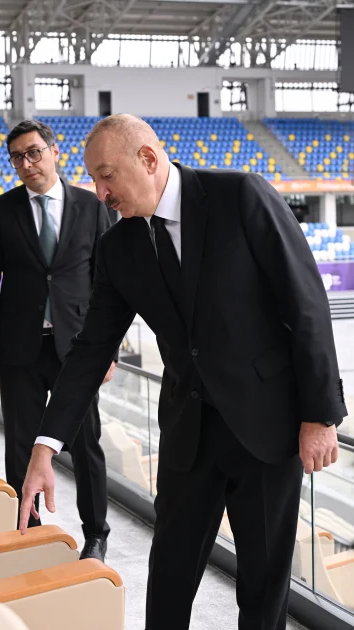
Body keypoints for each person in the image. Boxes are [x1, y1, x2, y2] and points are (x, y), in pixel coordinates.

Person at [19, 114, 347, 629]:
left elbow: (306, 304)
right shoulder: (117, 247)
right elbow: (90, 351)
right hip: (188, 435)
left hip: (267, 427)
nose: (101, 193)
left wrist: (321, 415)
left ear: (148, 159)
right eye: (95, 180)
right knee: (169, 578)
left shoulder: (241, 196)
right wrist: (46, 446)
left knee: (263, 588)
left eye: (107, 176)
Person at [0, 119, 115, 562]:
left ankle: (96, 535)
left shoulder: (91, 206)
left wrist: (108, 350)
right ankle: (29, 535)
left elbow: (109, 284)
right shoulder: (1, 210)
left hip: (78, 350)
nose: (27, 163)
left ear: (55, 152)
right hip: (19, 350)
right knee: (21, 445)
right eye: (17, 157)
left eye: (34, 152)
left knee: (86, 446)